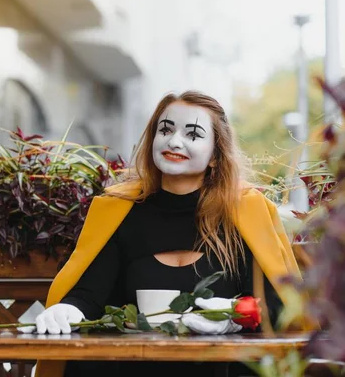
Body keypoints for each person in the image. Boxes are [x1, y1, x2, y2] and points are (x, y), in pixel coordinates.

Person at [28, 91, 312, 377]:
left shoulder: (247, 213)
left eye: (193, 134)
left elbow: (279, 307)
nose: (174, 141)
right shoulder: (118, 211)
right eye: (165, 129)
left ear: (215, 155)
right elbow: (90, 296)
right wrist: (68, 310)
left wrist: (234, 315)